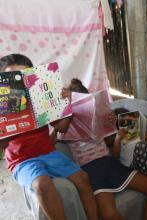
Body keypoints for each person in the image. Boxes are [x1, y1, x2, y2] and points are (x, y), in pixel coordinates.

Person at [0, 54, 99, 220]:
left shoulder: (40, 99)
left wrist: (66, 106)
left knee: (83, 178)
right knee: (42, 184)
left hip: (48, 152)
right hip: (21, 160)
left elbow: (61, 127)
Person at [58, 78, 147, 220]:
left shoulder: (96, 116)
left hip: (109, 162)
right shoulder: (64, 123)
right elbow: (55, 134)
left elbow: (116, 141)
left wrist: (113, 123)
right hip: (91, 169)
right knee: (110, 215)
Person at [113, 107, 147, 184]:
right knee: (141, 145)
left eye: (132, 122)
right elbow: (116, 155)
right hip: (132, 165)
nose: (129, 125)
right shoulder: (119, 137)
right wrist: (118, 138)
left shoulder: (139, 131)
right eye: (125, 123)